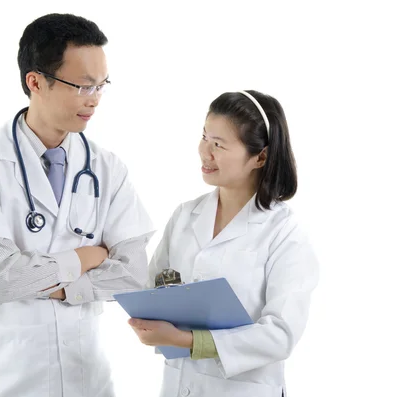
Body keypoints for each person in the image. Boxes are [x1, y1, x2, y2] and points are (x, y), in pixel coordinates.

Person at [0, 13, 155, 397]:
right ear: (35, 81)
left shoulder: (107, 168)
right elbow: (2, 280)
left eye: (101, 85)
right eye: (83, 86)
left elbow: (133, 275)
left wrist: (58, 286)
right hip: (3, 377)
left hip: (85, 376)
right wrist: (87, 257)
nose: (94, 100)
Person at [128, 90, 319, 397]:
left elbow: (281, 335)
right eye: (205, 137)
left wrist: (188, 341)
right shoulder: (186, 215)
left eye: (219, 145)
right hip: (180, 385)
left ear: (261, 157)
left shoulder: (285, 233)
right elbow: (151, 289)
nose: (205, 152)